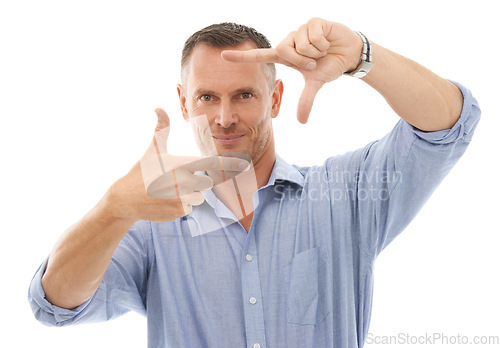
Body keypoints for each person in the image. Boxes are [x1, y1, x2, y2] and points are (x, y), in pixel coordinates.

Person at [28, 18, 480, 348]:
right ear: (184, 103)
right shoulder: (150, 224)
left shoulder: (341, 198)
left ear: (275, 98)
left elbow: (448, 125)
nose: (224, 118)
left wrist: (363, 54)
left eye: (244, 95)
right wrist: (113, 208)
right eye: (207, 97)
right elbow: (54, 304)